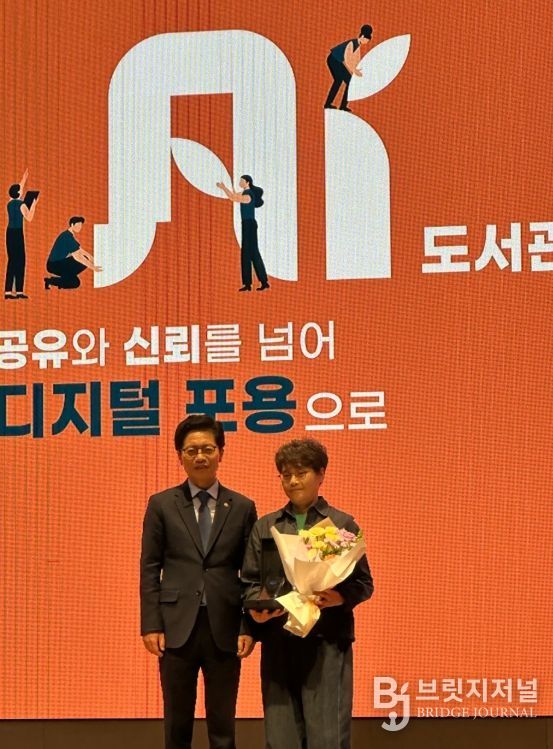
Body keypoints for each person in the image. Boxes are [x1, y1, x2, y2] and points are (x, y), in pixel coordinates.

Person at [242, 439, 374, 749]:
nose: (293, 481)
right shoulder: (266, 526)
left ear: (321, 474)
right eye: (286, 475)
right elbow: (249, 582)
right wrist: (258, 609)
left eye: (301, 473)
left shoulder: (340, 524)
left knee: (327, 736)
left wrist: (340, 597)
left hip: (327, 641)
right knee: (281, 736)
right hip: (278, 640)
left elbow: (364, 583)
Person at [140, 415, 258, 749]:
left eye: (207, 448)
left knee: (223, 722)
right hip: (176, 627)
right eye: (191, 450)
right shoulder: (161, 504)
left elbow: (252, 573)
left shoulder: (242, 506)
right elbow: (149, 567)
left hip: (225, 625)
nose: (200, 456)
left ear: (221, 452)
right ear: (180, 456)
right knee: (177, 721)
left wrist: (247, 626)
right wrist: (151, 624)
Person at [217, 175, 270, 292]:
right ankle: (250, 283)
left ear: (247, 182)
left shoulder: (248, 195)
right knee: (247, 253)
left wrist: (223, 187)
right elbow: (234, 194)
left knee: (252, 253)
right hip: (246, 225)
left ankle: (261, 282)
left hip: (249, 225)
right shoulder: (245, 192)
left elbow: (233, 197)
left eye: (242, 181)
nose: (240, 182)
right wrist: (226, 187)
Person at [4, 169, 38, 300]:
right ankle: (19, 291)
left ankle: (8, 291)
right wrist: (34, 205)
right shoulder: (22, 204)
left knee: (12, 260)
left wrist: (24, 178)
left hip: (9, 233)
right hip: (17, 233)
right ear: (19, 193)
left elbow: (19, 189)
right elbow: (29, 218)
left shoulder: (9, 202)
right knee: (21, 261)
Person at [324, 24, 373, 113]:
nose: (366, 42)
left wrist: (356, 70)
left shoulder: (357, 46)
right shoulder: (352, 43)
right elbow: (347, 59)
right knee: (345, 82)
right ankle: (338, 105)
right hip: (334, 60)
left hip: (338, 62)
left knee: (341, 81)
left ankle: (334, 104)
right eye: (366, 40)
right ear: (362, 36)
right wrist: (353, 71)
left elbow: (356, 60)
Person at [45, 216, 102, 290]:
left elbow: (80, 251)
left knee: (84, 262)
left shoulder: (68, 235)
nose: (80, 228)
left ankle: (63, 278)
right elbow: (78, 257)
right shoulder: (67, 237)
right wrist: (93, 267)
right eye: (78, 225)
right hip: (54, 265)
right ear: (72, 225)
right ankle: (51, 281)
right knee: (75, 283)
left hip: (60, 262)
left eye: (81, 226)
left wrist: (92, 259)